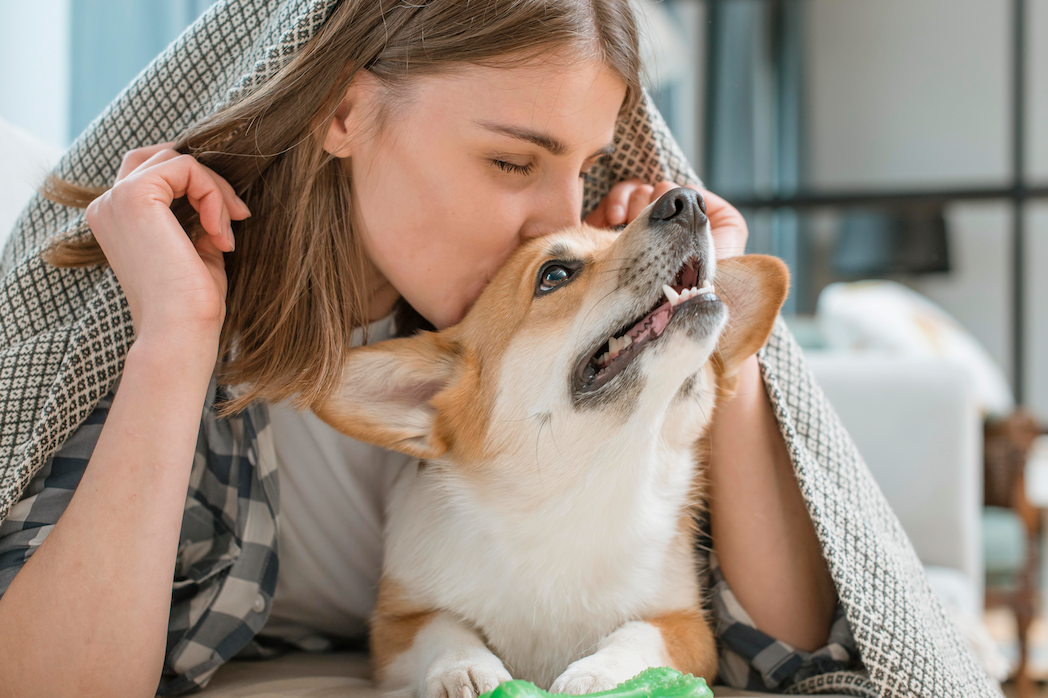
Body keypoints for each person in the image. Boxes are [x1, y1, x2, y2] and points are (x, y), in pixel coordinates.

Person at [0, 2, 996, 698]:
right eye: (510, 160)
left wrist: (698, 333)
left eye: (578, 168)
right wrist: (175, 338)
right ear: (341, 110)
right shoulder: (165, 298)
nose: (550, 221)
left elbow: (785, 642)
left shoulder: (565, 339)